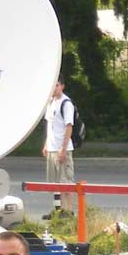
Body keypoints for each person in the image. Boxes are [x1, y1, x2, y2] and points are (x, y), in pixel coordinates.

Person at [42, 77, 75, 215]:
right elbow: (50, 126)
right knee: (56, 184)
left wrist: (63, 148)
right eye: (52, 85)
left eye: (57, 85)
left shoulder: (66, 103)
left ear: (62, 86)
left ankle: (68, 212)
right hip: (51, 147)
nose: (54, 88)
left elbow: (69, 127)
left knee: (66, 183)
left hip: (63, 149)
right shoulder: (50, 102)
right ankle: (59, 211)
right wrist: (46, 144)